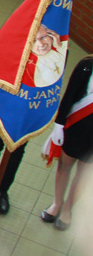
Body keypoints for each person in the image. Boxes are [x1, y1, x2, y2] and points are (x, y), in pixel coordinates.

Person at [42, 54, 93, 230]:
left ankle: (68, 209)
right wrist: (59, 124)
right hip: (76, 126)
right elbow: (70, 94)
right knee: (64, 166)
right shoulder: (86, 65)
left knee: (83, 174)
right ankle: (57, 203)